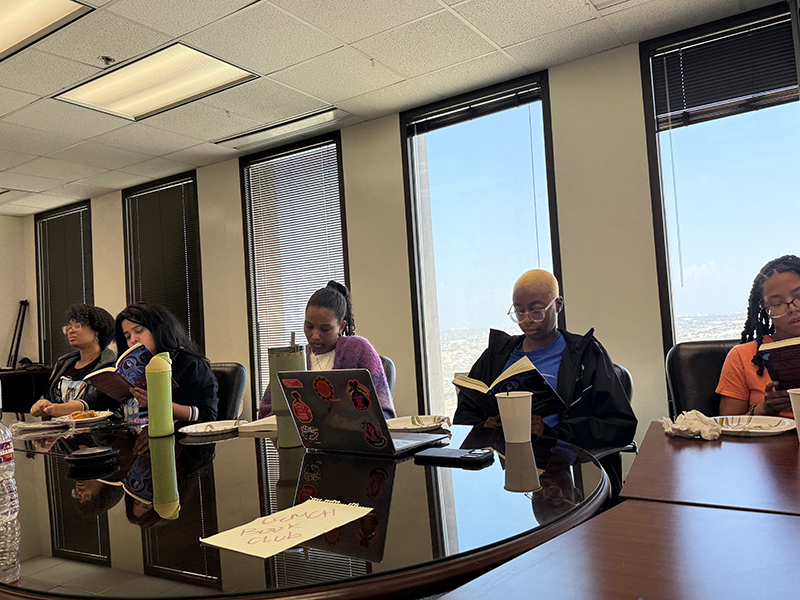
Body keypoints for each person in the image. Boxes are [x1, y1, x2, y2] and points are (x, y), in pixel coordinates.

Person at [453, 270, 637, 452]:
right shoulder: (495, 356)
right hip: (501, 463)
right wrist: (483, 426)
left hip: (564, 465)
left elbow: (620, 425)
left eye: (536, 311)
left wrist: (552, 433)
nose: (526, 320)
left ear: (558, 304)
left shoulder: (587, 355)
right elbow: (463, 416)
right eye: (519, 312)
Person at [258, 281, 396, 420]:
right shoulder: (294, 359)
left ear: (341, 327)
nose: (315, 336)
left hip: (351, 439)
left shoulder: (358, 350)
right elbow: (266, 411)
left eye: (325, 329)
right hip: (302, 440)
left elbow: (384, 412)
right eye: (309, 327)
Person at [718, 255, 800, 417]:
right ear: (765, 310)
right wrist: (764, 409)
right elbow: (728, 424)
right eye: (777, 304)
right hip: (770, 442)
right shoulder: (742, 356)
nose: (793, 308)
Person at [115, 303, 218, 422]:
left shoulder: (190, 364)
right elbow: (101, 400)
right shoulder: (130, 367)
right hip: (134, 436)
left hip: (175, 436)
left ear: (157, 329)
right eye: (127, 336)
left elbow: (207, 415)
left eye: (139, 331)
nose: (133, 340)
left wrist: (158, 404)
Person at [30, 304, 117, 418]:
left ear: (97, 330)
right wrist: (41, 406)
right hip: (61, 431)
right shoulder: (64, 363)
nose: (70, 331)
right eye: (69, 327)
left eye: (77, 326)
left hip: (95, 431)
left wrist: (57, 409)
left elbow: (101, 403)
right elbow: (48, 398)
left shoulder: (111, 364)